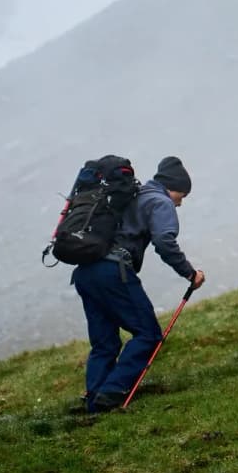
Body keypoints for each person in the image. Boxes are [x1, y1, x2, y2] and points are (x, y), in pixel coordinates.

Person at [72, 156, 203, 414]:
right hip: (113, 272)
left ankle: (95, 403)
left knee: (105, 343)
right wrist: (189, 274)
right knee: (148, 334)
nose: (180, 202)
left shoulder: (132, 194)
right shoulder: (160, 202)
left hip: (86, 272)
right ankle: (113, 391)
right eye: (182, 195)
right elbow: (164, 242)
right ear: (173, 187)